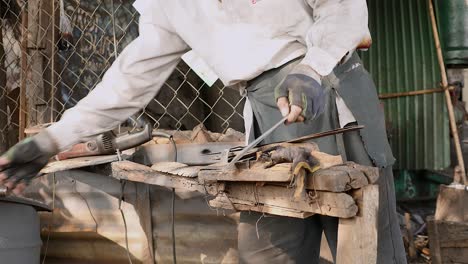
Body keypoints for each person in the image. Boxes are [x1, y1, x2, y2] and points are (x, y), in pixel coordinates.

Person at [0, 0, 406, 263]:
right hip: (267, 117)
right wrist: (51, 140)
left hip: (328, 91)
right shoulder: (169, 5)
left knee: (366, 249)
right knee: (265, 252)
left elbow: (343, 8)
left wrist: (311, 68)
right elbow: (127, 83)